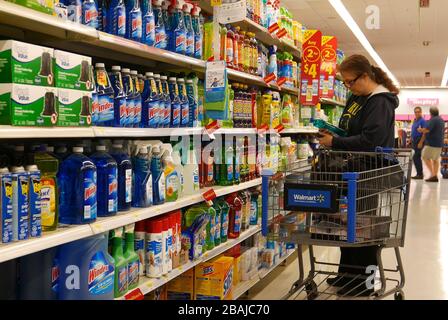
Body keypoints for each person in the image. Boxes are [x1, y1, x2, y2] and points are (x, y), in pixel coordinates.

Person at [318, 54, 399, 296]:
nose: (348, 87)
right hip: (352, 170)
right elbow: (350, 129)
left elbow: (370, 140)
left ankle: (364, 283)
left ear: (365, 76)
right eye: (345, 83)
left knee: (364, 230)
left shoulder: (380, 101)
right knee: (347, 226)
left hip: (370, 172)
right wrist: (334, 133)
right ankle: (347, 275)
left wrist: (336, 142)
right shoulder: (358, 98)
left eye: (351, 82)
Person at [417, 107, 445, 182]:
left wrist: (420, 130)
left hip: (431, 143)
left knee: (424, 156)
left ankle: (433, 174)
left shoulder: (433, 120)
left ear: (431, 113)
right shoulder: (441, 120)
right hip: (439, 143)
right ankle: (434, 176)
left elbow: (427, 130)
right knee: (435, 159)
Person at [411, 107, 426, 179]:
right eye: (415, 112)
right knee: (415, 157)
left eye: (418, 112)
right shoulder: (415, 120)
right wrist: (410, 139)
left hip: (419, 140)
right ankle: (419, 173)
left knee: (416, 157)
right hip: (414, 140)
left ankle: (420, 174)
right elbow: (414, 130)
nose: (417, 113)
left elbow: (425, 133)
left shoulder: (423, 121)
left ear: (421, 112)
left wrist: (421, 142)